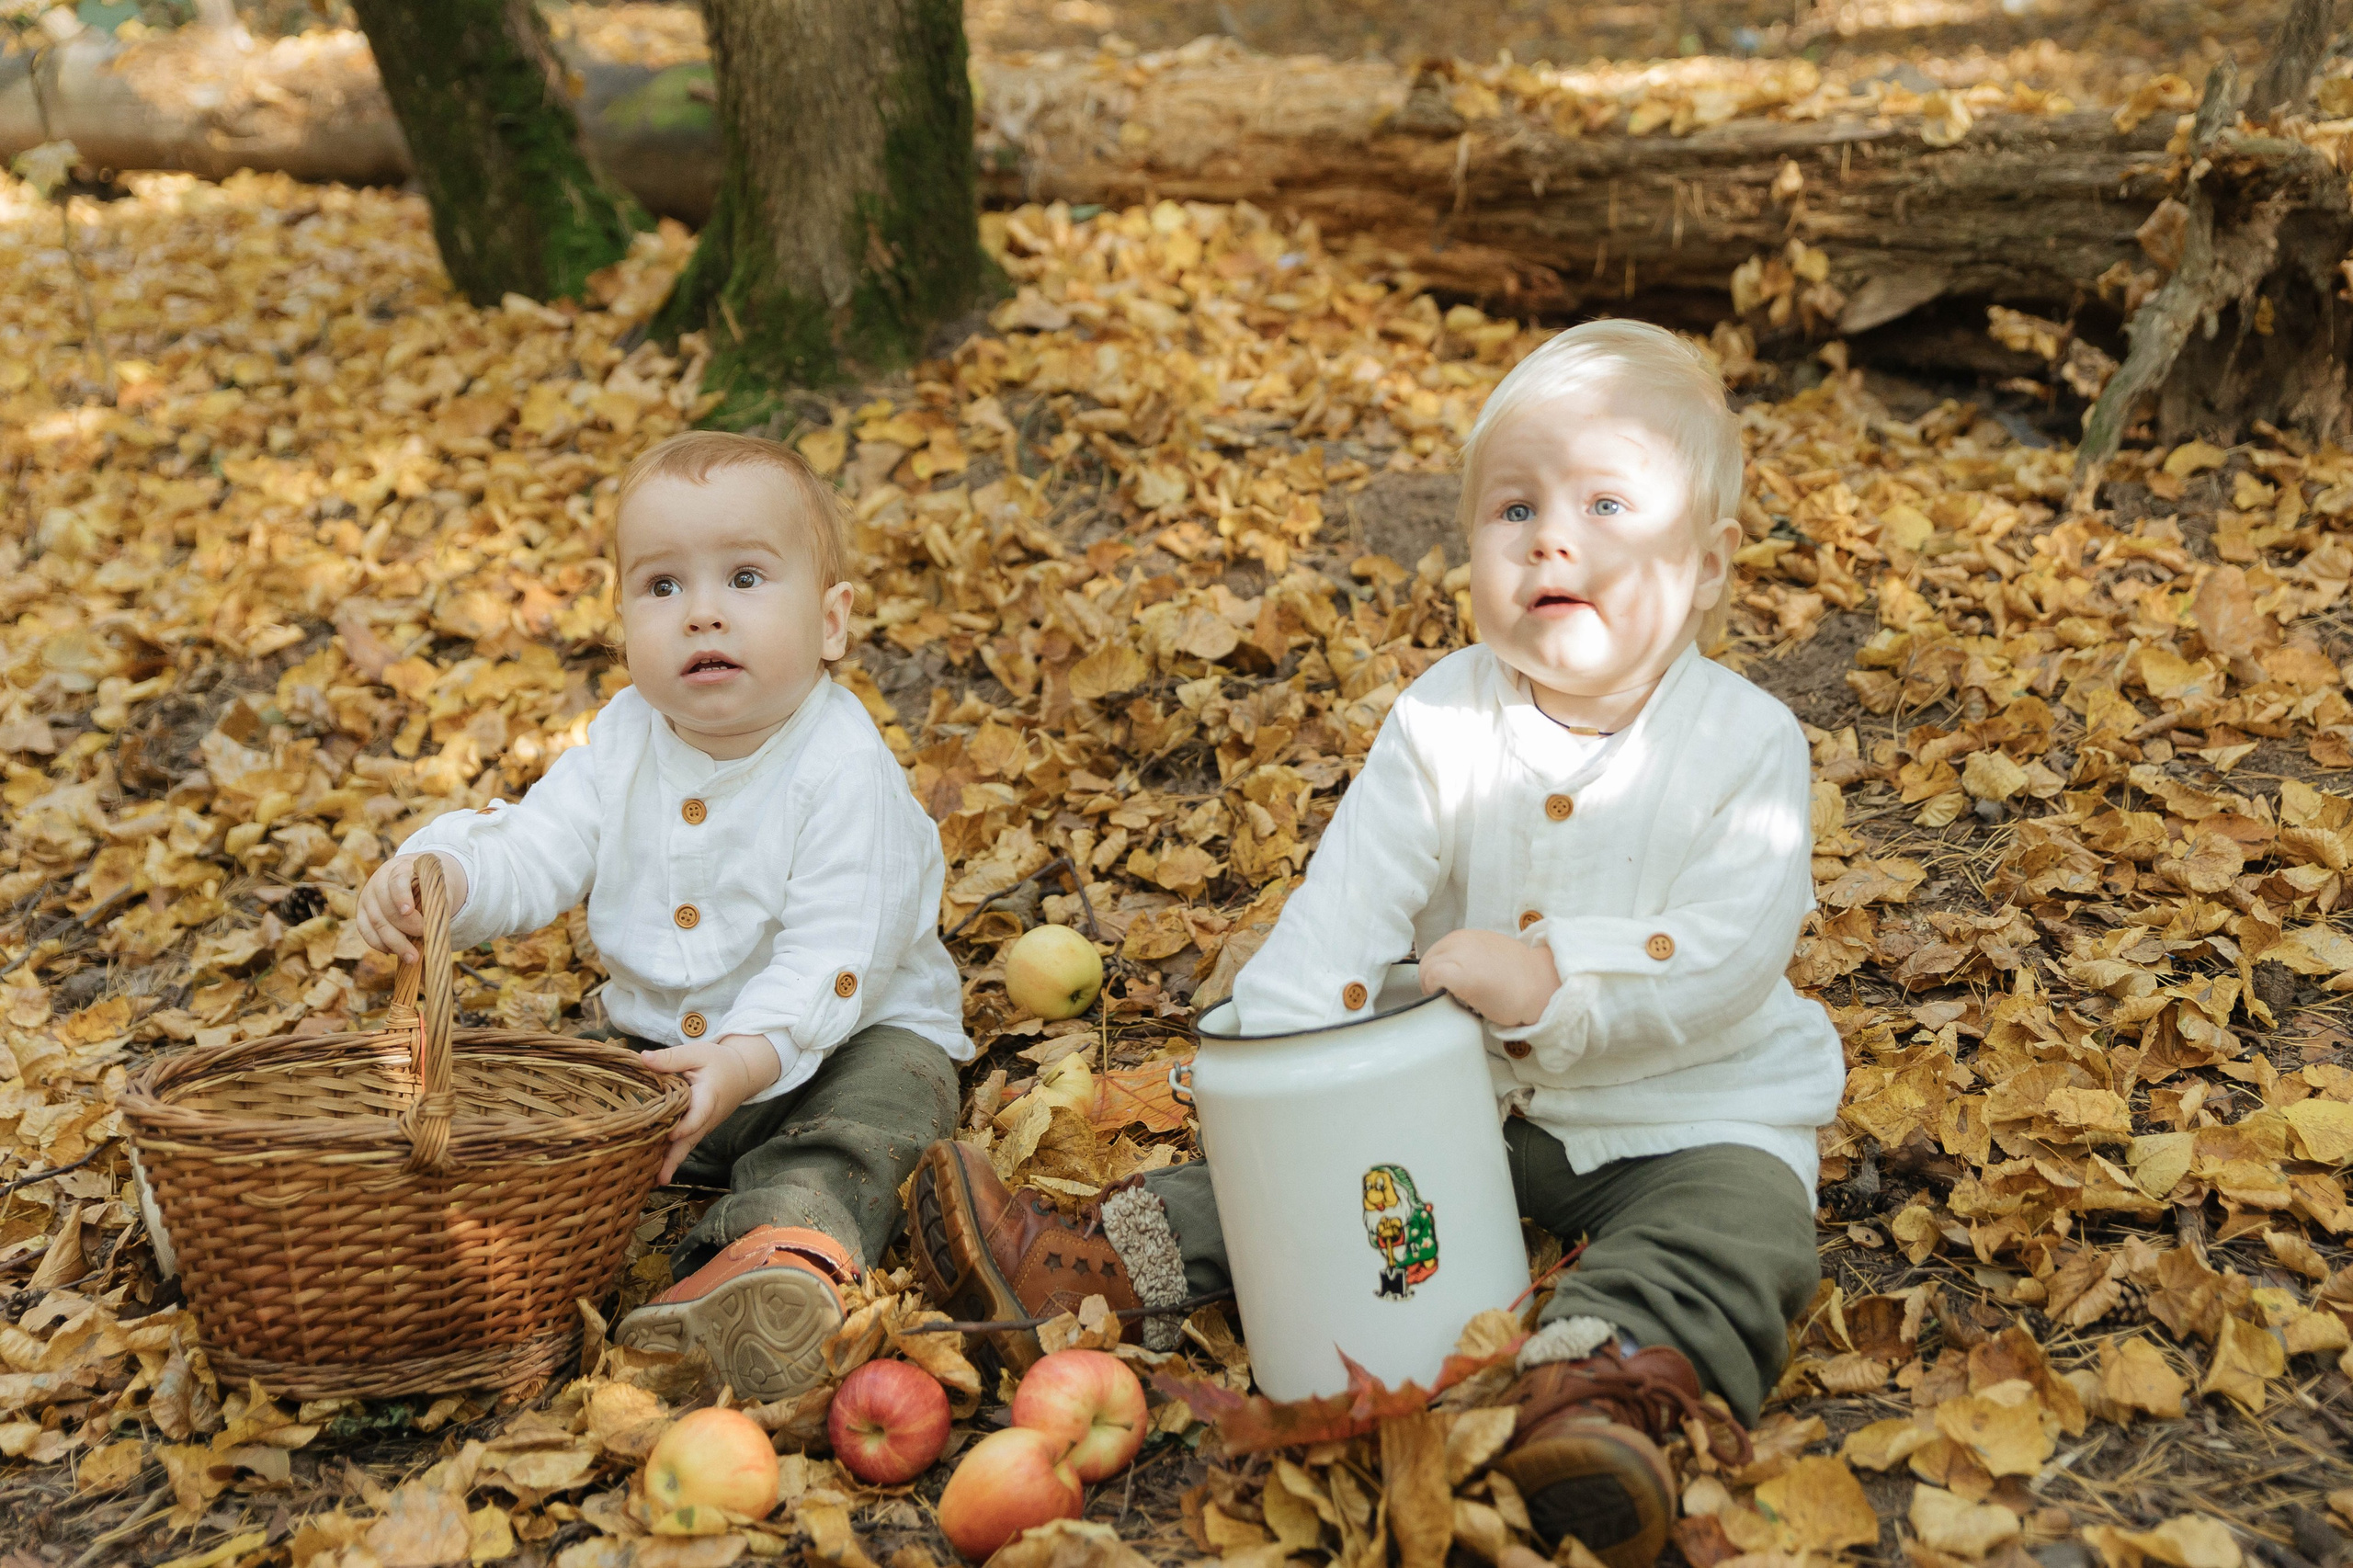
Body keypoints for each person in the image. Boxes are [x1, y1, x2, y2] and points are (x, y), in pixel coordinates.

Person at [906, 321, 1843, 1568]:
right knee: (1323, 1192)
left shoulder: (1749, 745)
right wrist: (1275, 1090)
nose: (1550, 538)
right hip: (1463, 1107)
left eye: (1606, 503)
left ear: (1710, 564)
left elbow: (1730, 952)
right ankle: (1088, 1272)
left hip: (1693, 1113)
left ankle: (1607, 1390)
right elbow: (1346, 908)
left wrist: (1564, 979)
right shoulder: (1443, 719)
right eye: (1514, 509)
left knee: (1740, 1229)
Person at [358, 431, 968, 1403]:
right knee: (534, 1098)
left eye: (745, 576)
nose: (703, 612)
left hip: (836, 1039)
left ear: (831, 619)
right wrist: (446, 873)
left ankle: (768, 1256)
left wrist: (738, 1063)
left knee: (876, 1114)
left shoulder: (843, 767)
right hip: (653, 1055)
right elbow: (535, 844)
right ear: (622, 622)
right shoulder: (623, 739)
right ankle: (406, 1231)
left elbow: (832, 954)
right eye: (662, 587)